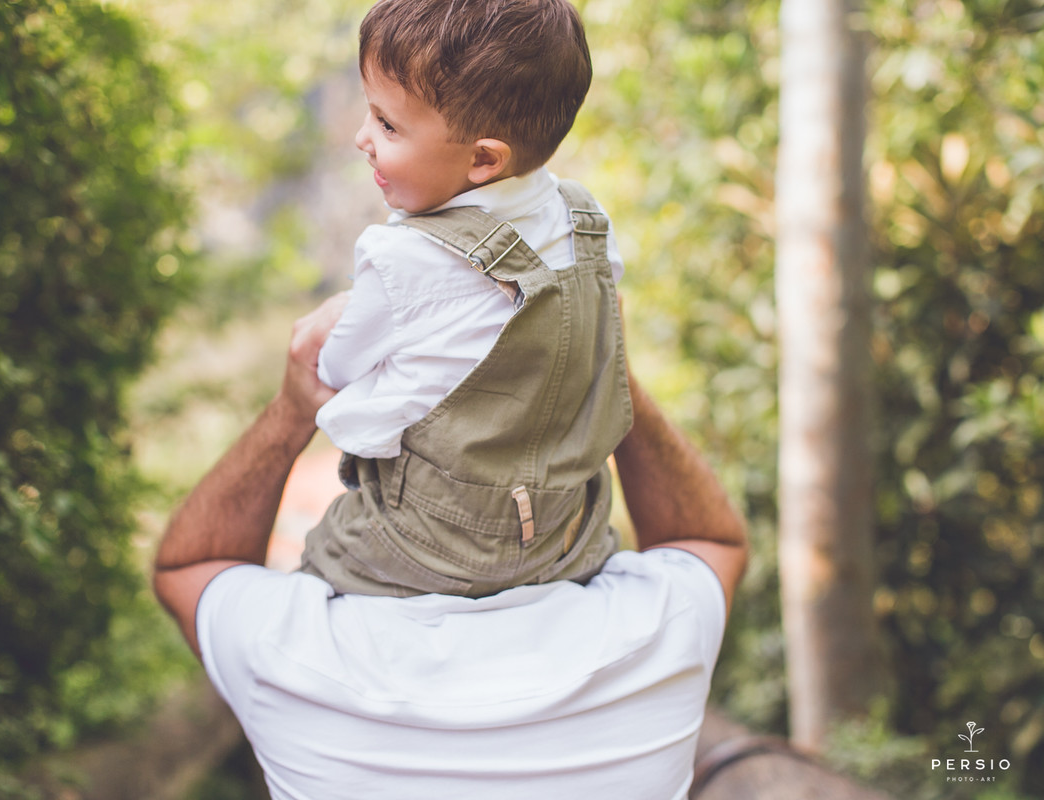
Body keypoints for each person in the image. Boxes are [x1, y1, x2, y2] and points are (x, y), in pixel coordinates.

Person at [153, 295, 749, 800]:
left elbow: (192, 563)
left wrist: (292, 410)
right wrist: (603, 367)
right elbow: (705, 538)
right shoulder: (654, 635)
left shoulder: (292, 655)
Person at [303, 0, 634, 598]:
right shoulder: (585, 221)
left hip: (430, 542)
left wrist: (336, 326)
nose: (361, 139)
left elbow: (336, 368)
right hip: (568, 535)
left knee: (318, 561)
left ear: (484, 159)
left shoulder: (402, 257)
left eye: (387, 125)